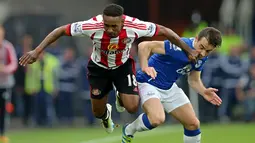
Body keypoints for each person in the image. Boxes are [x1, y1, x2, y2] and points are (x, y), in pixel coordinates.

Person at [19, 4, 197, 133]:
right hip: (99, 69)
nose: (110, 29)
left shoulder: (135, 25)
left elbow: (165, 31)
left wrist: (188, 50)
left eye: (114, 26)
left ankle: (121, 94)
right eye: (107, 25)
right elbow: (60, 30)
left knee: (133, 107)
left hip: (122, 67)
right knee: (97, 111)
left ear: (122, 22)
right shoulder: (92, 25)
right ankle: (106, 116)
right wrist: (37, 50)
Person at [121, 27, 223, 143]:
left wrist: (204, 91)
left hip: (169, 87)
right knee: (157, 119)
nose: (203, 53)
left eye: (208, 51)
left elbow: (194, 80)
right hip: (148, 82)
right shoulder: (179, 46)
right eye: (202, 47)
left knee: (193, 124)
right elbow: (144, 46)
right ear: (196, 39)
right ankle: (129, 129)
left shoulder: (202, 57)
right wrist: (145, 66)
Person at [0, 25, 18, 143]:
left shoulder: (7, 47)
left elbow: (14, 64)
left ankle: (2, 134)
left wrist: (4, 69)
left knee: (3, 110)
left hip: (5, 84)